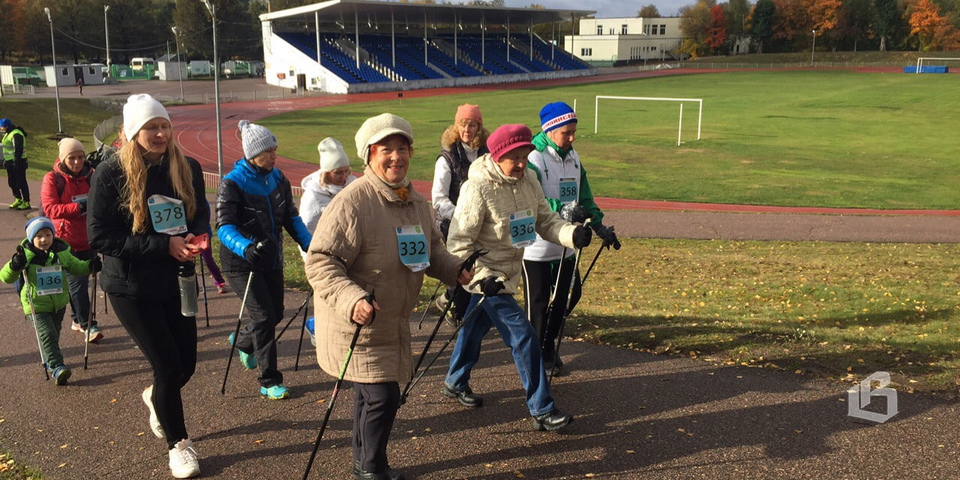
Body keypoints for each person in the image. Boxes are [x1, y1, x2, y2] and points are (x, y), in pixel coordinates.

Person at [305, 113, 473, 480]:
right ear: (369, 156)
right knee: (383, 397)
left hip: (391, 320)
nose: (396, 157)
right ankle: (371, 468)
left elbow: (432, 250)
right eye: (386, 150)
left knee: (371, 397)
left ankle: (363, 461)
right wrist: (352, 299)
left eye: (402, 148)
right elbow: (320, 262)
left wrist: (455, 269)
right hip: (357, 321)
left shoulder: (415, 202)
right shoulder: (353, 202)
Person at [87, 93, 208, 479]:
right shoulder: (110, 173)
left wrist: (196, 238)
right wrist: (163, 245)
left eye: (163, 125)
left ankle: (156, 398)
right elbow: (99, 236)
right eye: (150, 127)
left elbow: (200, 215)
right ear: (132, 133)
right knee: (168, 366)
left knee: (185, 365)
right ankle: (179, 445)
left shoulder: (187, 166)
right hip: (130, 287)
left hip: (177, 281)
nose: (159, 133)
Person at [442, 124, 592, 432]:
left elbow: (545, 221)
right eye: (515, 158)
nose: (522, 164)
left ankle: (455, 380)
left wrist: (571, 234)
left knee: (473, 328)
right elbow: (458, 244)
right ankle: (542, 407)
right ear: (498, 156)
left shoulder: (529, 180)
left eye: (526, 156)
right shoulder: (477, 188)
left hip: (508, 275)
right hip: (486, 279)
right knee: (524, 336)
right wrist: (480, 279)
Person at [217, 120, 312, 400]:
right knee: (263, 316)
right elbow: (223, 226)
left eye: (275, 150)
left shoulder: (278, 178)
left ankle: (244, 341)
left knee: (277, 313)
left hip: (271, 259)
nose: (274, 156)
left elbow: (291, 218)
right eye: (268, 151)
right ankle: (269, 380)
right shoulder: (231, 183)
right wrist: (245, 247)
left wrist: (311, 245)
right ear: (252, 154)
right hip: (241, 262)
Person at [523, 101, 618, 372]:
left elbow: (584, 196)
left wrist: (600, 227)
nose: (572, 137)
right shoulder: (533, 157)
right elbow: (533, 200)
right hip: (537, 247)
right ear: (551, 130)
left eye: (574, 131)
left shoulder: (573, 157)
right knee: (538, 308)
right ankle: (534, 360)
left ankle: (546, 344)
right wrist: (563, 208)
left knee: (569, 296)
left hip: (568, 245)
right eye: (567, 132)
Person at [0, 217, 99, 385]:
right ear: (31, 238)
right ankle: (57, 367)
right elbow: (5, 277)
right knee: (47, 334)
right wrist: (15, 265)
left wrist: (90, 265)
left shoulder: (61, 252)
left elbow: (76, 266)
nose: (44, 239)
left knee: (53, 334)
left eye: (47, 234)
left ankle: (51, 357)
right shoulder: (24, 255)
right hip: (35, 305)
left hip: (58, 304)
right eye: (39, 236)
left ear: (53, 235)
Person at [431, 104, 489, 323]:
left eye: (472, 125)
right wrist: (463, 216)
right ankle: (459, 311)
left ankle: (449, 297)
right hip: (451, 223)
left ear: (479, 127)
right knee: (464, 266)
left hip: (480, 221)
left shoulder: (486, 153)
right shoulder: (446, 159)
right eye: (462, 125)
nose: (467, 130)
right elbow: (438, 199)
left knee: (482, 265)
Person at [40, 138, 103, 342]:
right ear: (63, 158)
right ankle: (88, 325)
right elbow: (50, 209)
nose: (76, 162)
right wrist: (79, 208)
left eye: (80, 157)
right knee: (77, 284)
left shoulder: (92, 175)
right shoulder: (52, 179)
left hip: (90, 237)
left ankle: (77, 319)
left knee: (83, 283)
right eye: (72, 158)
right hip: (65, 241)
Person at [298, 136, 354, 261]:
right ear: (326, 172)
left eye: (346, 171)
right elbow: (306, 232)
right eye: (338, 172)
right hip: (326, 256)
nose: (344, 176)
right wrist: (312, 261)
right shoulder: (313, 197)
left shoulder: (353, 186)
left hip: (351, 254)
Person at [2, 118, 31, 210]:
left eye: (1, 127)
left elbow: (18, 149)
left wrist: (16, 161)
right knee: (12, 182)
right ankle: (18, 198)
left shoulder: (16, 134)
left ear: (5, 126)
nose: (1, 129)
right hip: (10, 162)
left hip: (19, 161)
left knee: (21, 182)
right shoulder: (8, 133)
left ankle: (26, 201)